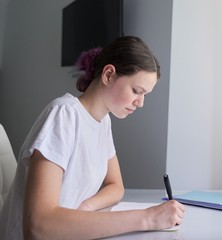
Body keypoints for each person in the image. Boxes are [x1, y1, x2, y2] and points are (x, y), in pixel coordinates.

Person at [0, 36, 185, 239]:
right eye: (136, 91)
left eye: (144, 95)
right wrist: (147, 218)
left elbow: (116, 187)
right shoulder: (64, 115)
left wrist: (86, 207)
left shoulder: (103, 122)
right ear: (108, 75)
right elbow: (38, 226)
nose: (140, 103)